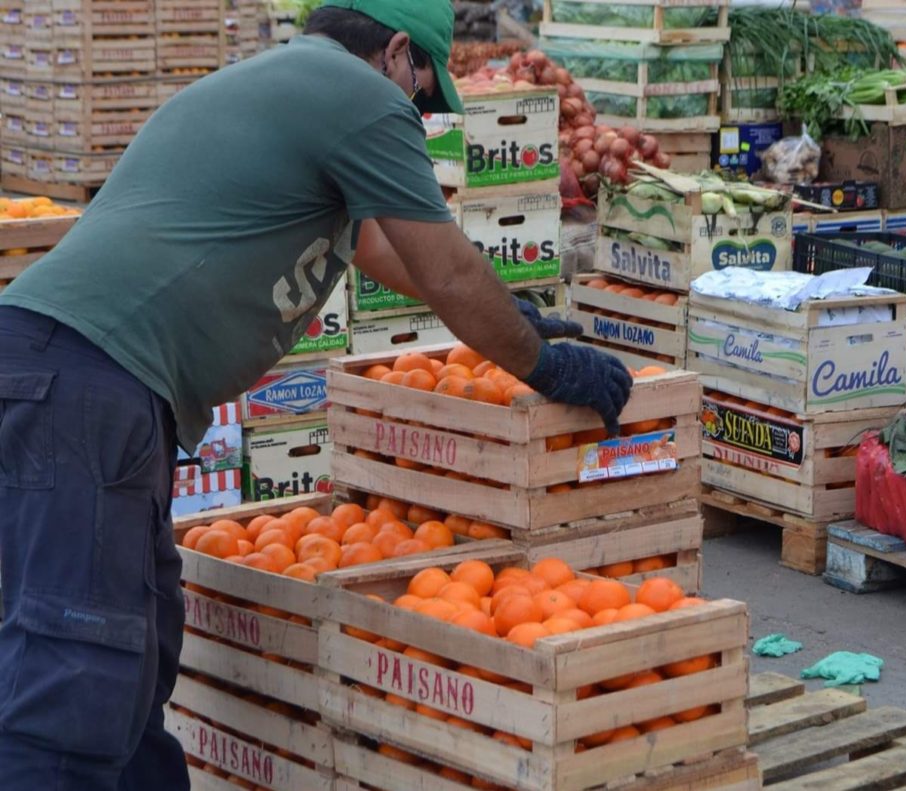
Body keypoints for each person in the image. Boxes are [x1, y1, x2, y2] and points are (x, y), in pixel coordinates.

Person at [0, 1, 632, 788]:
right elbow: (446, 267)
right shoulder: (357, 93)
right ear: (397, 52)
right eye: (424, 96)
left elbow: (380, 246)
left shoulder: (283, 81)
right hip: (87, 381)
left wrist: (509, 313)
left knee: (135, 649)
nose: (418, 116)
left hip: (72, 373)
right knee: (74, 678)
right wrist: (548, 366)